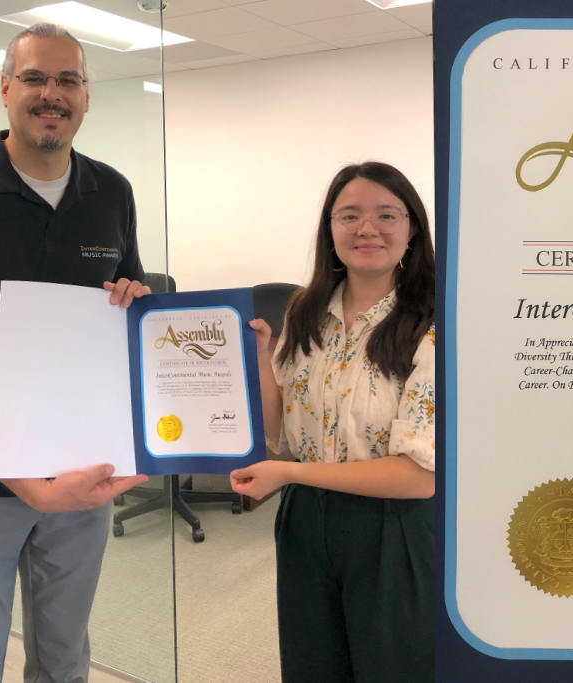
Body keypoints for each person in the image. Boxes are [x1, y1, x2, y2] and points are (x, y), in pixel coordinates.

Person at [0, 23, 151, 682]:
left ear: (87, 96)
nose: (52, 93)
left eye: (68, 79)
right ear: (5, 87)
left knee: (65, 660)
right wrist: (28, 486)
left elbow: (127, 309)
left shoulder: (112, 192)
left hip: (81, 475)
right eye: (35, 77)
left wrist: (134, 301)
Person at [230, 162, 436, 682]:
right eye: (349, 215)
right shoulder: (305, 309)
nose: (367, 229)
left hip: (390, 530)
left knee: (392, 669)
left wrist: (292, 474)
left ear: (412, 230)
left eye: (387, 215)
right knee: (311, 667)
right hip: (304, 524)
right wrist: (260, 358)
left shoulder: (433, 323)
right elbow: (280, 433)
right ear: (330, 230)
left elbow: (418, 475)